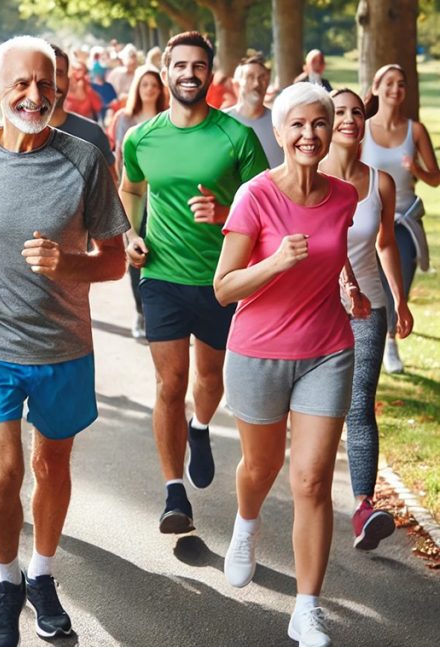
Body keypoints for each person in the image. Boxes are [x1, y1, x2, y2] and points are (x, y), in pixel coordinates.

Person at [0, 35, 128, 647]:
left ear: (60, 89)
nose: (33, 95)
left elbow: (115, 261)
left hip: (62, 345)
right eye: (20, 84)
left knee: (52, 463)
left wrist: (67, 264)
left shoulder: (85, 160)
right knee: (2, 474)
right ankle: (7, 580)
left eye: (45, 84)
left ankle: (42, 574)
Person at [214, 83, 370, 647]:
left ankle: (307, 608)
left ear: (331, 132)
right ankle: (247, 524)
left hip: (328, 349)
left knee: (311, 480)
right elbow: (224, 288)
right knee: (261, 468)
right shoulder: (255, 196)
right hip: (257, 352)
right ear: (279, 133)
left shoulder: (343, 196)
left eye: (320, 124)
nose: (310, 134)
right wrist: (278, 261)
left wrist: (350, 286)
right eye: (297, 125)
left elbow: (334, 257)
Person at [121, 31, 268, 535]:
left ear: (211, 73)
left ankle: (200, 426)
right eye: (179, 65)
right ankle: (173, 494)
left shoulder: (237, 137)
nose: (188, 73)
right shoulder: (141, 137)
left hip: (222, 281)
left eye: (198, 66)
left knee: (210, 379)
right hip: (160, 275)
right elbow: (130, 188)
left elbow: (268, 212)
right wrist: (128, 235)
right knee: (170, 384)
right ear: (165, 72)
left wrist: (225, 212)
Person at [320, 88, 414, 550]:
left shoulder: (381, 182)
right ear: (325, 120)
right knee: (319, 408)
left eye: (357, 112)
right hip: (315, 307)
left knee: (360, 405)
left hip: (368, 309)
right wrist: (343, 282)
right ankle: (309, 493)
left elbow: (386, 244)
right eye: (340, 112)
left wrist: (400, 299)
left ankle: (363, 508)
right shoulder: (309, 177)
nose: (349, 119)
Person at [362, 63, 440, 373]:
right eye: (389, 83)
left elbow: (435, 178)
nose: (396, 89)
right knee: (372, 284)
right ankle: (373, 342)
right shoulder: (362, 129)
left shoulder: (415, 130)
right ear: (377, 88)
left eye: (401, 84)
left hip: (404, 222)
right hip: (368, 221)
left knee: (399, 286)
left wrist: (417, 170)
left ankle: (391, 343)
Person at [110, 65, 168, 339]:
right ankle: (141, 311)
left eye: (154, 84)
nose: (149, 89)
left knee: (159, 253)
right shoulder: (126, 118)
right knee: (136, 252)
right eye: (144, 84)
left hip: (161, 197)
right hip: (135, 194)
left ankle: (159, 310)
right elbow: (120, 159)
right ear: (138, 88)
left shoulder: (169, 118)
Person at [49, 45, 116, 180]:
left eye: (59, 73)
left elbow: (111, 187)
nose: (52, 82)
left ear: (68, 81)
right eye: (44, 74)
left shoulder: (92, 133)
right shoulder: (14, 138)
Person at [224, 55, 284, 168]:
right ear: (236, 84)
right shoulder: (221, 122)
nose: (257, 84)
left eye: (262, 78)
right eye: (250, 77)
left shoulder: (280, 122)